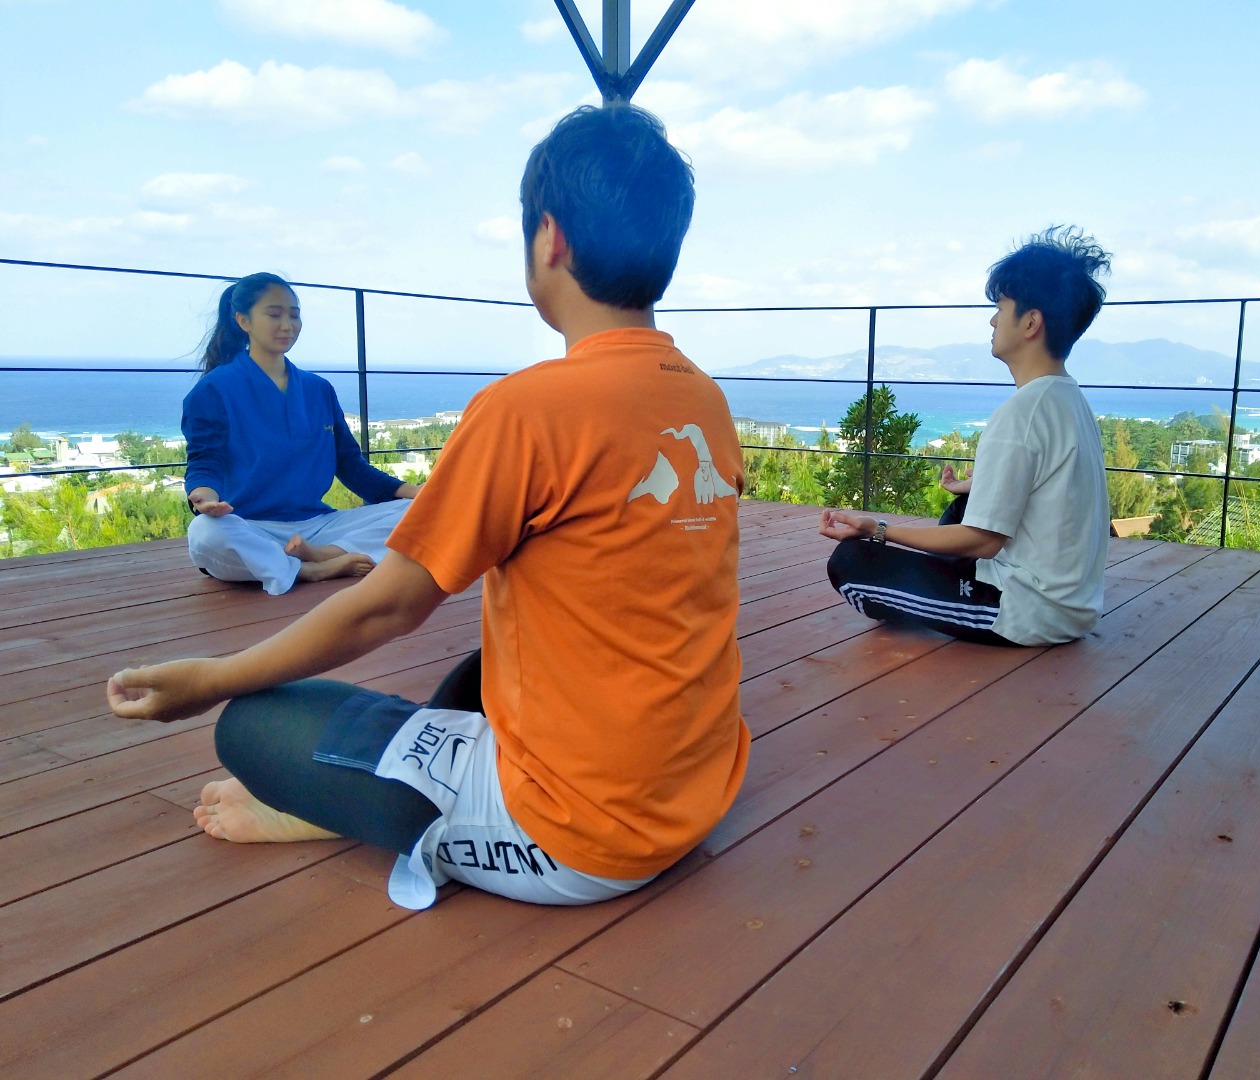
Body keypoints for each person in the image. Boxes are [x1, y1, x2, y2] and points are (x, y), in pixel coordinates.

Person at [108, 104, 750, 912]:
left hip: (576, 838)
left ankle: (346, 809)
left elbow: (387, 608)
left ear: (549, 239)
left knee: (252, 726)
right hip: (694, 788)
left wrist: (211, 678)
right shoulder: (704, 398)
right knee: (494, 664)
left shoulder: (529, 407)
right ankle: (388, 786)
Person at [820, 226, 1112, 647]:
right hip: (1073, 602)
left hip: (1029, 611)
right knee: (962, 506)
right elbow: (1056, 487)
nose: (993, 320)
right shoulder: (1069, 399)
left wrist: (876, 529)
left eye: (1001, 308)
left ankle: (918, 601)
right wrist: (977, 487)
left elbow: (984, 540)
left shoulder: (1021, 412)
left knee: (852, 561)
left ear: (1031, 322)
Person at [183, 272, 420, 595]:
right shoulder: (214, 390)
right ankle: (307, 569)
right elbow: (205, 460)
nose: (287, 325)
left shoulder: (318, 389)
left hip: (319, 527)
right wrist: (205, 497)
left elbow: (352, 467)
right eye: (274, 314)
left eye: (294, 315)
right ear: (243, 320)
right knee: (205, 533)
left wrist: (419, 493)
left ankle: (325, 555)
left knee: (417, 512)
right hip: (252, 528)